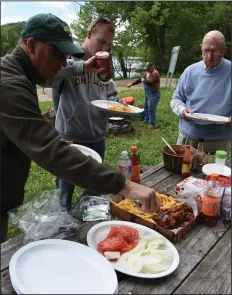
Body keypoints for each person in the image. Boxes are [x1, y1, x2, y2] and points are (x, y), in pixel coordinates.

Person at [0, 13, 160, 242]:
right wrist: (126, 186)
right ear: (32, 45)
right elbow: (49, 151)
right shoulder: (11, 85)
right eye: (57, 53)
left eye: (66, 56)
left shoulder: (17, 75)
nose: (63, 63)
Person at [52, 18, 126, 210]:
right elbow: (53, 76)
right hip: (70, 136)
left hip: (97, 135)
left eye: (109, 45)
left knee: (95, 184)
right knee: (64, 188)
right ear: (89, 33)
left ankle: (80, 214)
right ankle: (62, 220)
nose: (105, 48)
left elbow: (110, 94)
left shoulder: (105, 63)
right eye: (101, 42)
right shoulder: (69, 55)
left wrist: (121, 105)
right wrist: (83, 66)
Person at [170, 30, 231, 153]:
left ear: (224, 51)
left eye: (215, 51)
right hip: (188, 138)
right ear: (201, 48)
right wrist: (182, 110)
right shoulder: (190, 71)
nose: (209, 56)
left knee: (216, 173)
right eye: (206, 51)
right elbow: (176, 99)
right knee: (182, 171)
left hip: (219, 142)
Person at [127, 63, 160, 128]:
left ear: (151, 67)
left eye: (147, 69)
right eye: (146, 69)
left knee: (151, 109)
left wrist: (143, 80)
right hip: (147, 93)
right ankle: (146, 120)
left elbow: (149, 82)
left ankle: (152, 124)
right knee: (146, 107)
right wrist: (132, 84)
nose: (146, 70)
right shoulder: (147, 73)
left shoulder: (155, 73)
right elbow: (140, 79)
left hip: (153, 94)